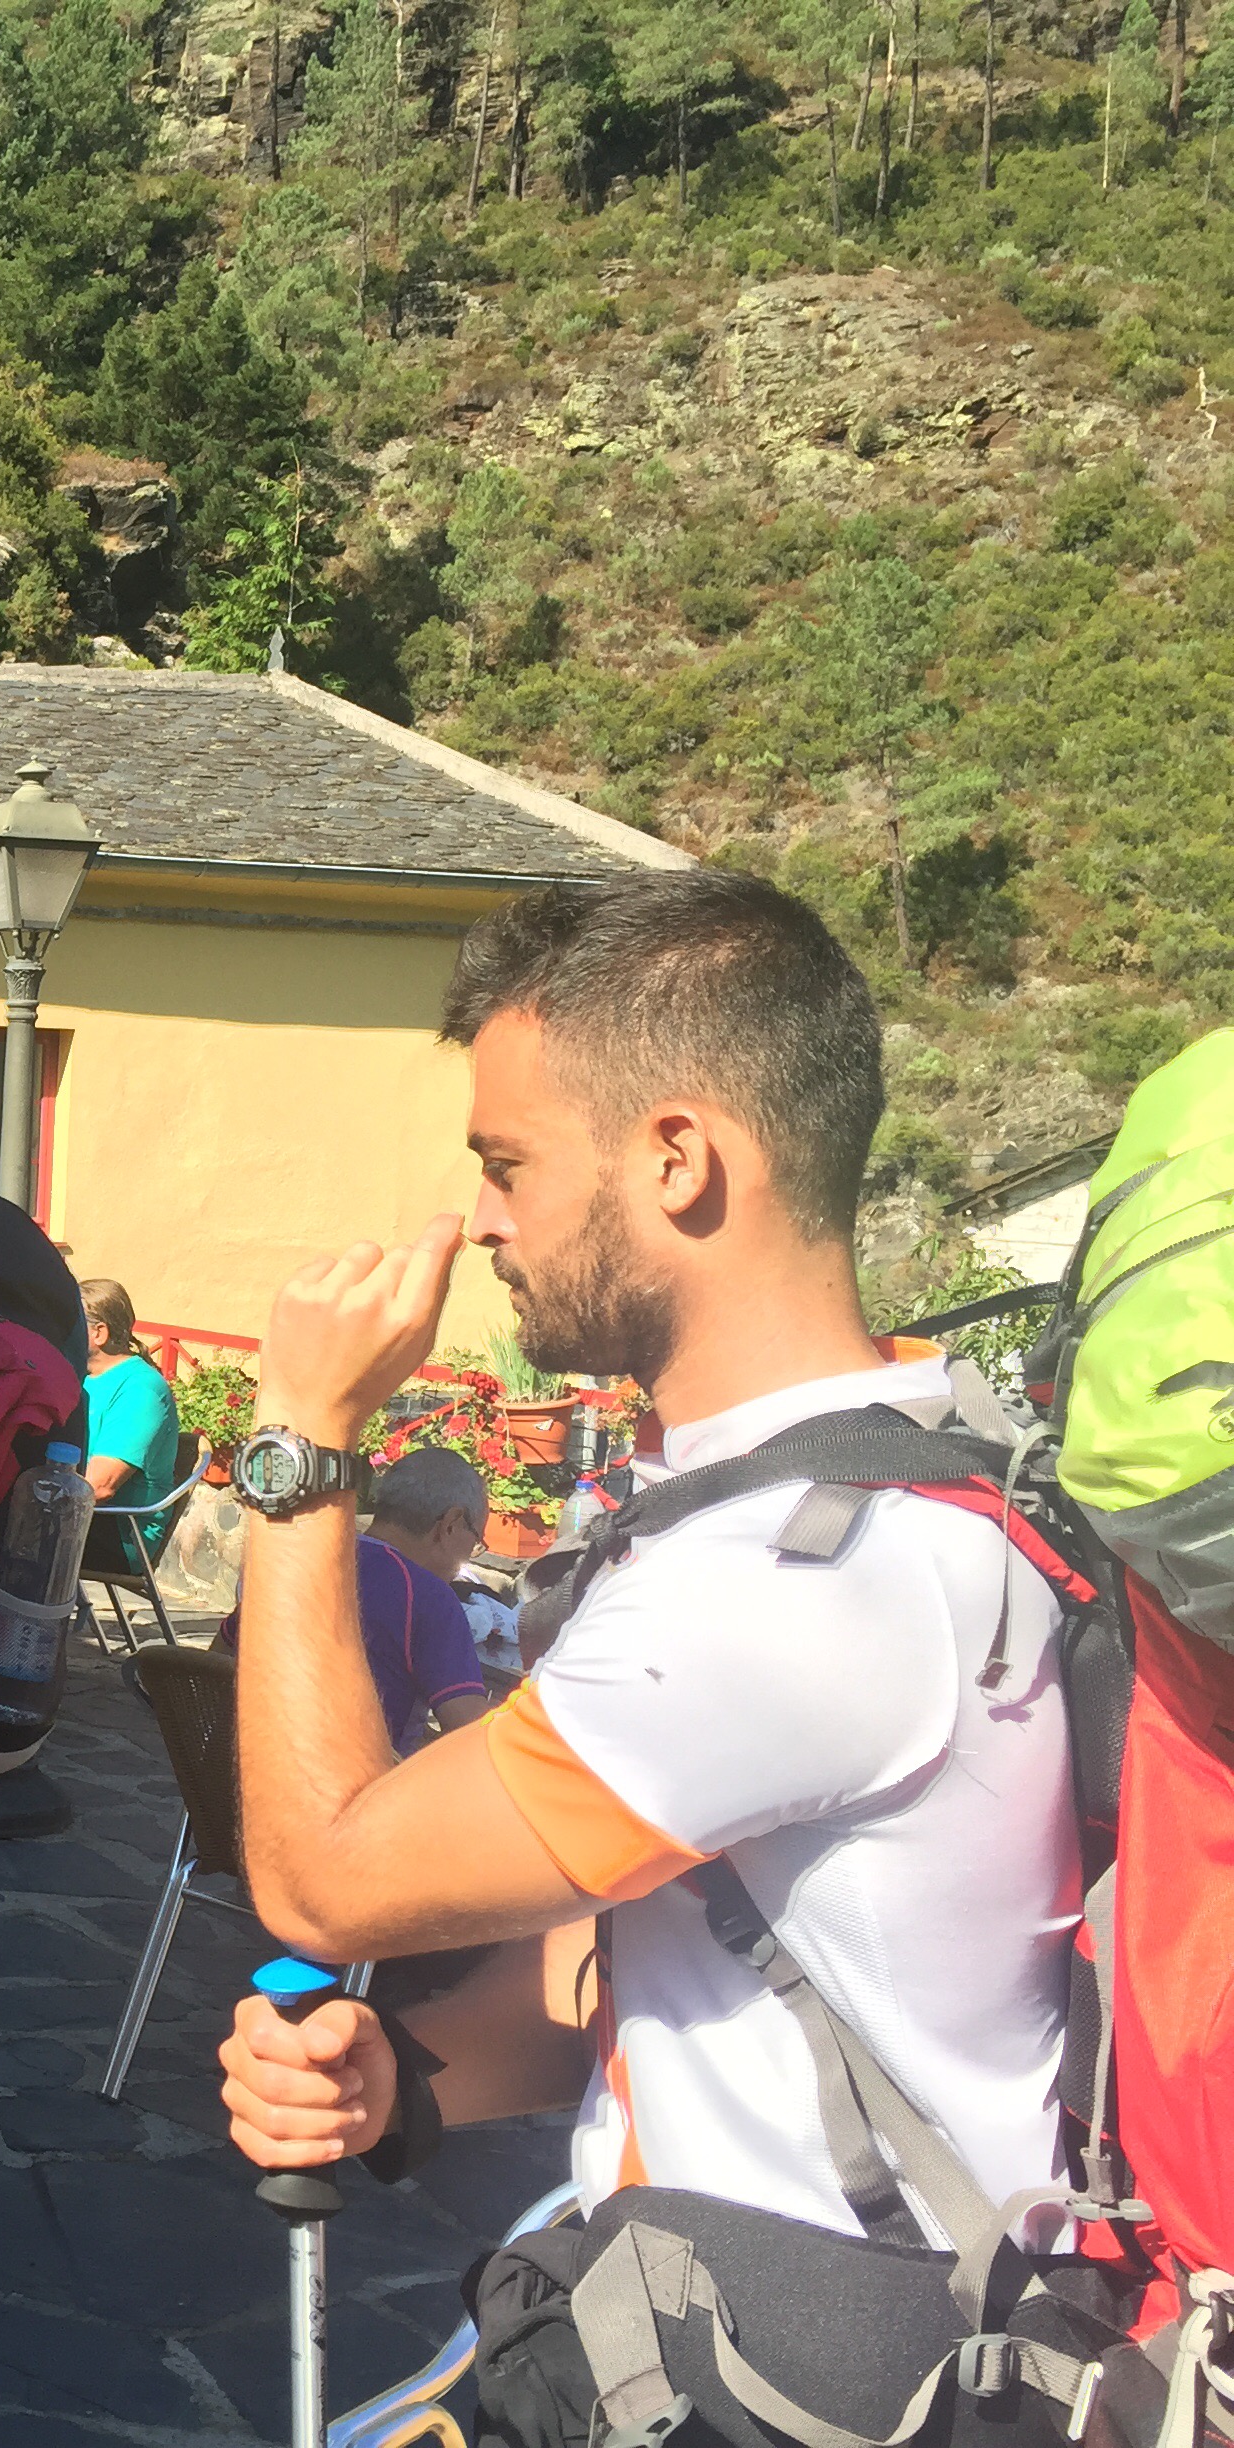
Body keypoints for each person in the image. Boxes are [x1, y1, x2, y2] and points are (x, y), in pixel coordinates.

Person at [217, 875, 1073, 2296]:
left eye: (508, 1164)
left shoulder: (793, 1584)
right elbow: (639, 1948)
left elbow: (323, 1880)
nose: (482, 1221)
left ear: (677, 1157)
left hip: (815, 2368)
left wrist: (301, 1444)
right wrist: (402, 2080)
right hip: (748, 2328)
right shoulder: (874, 1481)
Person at [220, 1446, 493, 1750]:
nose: (471, 1554)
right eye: (476, 1539)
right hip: (365, 1774)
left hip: (256, 1762)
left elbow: (213, 1662)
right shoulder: (429, 1598)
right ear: (451, 1524)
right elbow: (473, 1736)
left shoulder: (294, 1563)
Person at [78, 1278, 179, 1572]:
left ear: (99, 1332)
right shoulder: (81, 1376)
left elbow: (99, 1487)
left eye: (69, 1321)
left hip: (120, 1532)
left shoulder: (141, 1389)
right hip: (82, 1517)